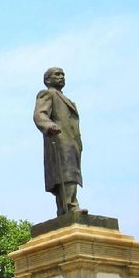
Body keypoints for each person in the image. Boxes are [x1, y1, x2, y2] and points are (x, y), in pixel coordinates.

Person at [32, 66, 84, 217]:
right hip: (59, 139)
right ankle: (71, 205)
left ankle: (64, 209)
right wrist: (49, 126)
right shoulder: (47, 94)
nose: (61, 77)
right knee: (66, 174)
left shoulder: (68, 100)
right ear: (48, 79)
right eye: (57, 74)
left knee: (71, 173)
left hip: (72, 142)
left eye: (63, 74)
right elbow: (39, 115)